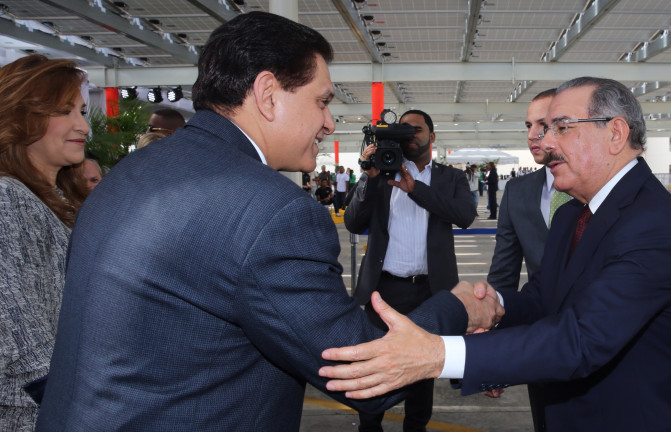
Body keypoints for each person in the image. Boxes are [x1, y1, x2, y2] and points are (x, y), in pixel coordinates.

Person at [36, 12, 502, 432]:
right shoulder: (272, 211)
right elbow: (364, 373)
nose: (328, 123)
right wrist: (459, 308)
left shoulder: (130, 173)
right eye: (321, 101)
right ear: (267, 95)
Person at [320, 77, 671, 432]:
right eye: (545, 129)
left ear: (615, 133)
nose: (546, 142)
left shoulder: (654, 225)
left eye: (561, 127)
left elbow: (580, 340)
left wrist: (438, 354)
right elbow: (543, 297)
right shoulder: (573, 213)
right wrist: (492, 303)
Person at [344, 108, 476, 432]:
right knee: (373, 364)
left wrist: (415, 188)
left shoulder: (451, 178)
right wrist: (368, 176)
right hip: (384, 291)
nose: (409, 135)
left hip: (430, 291)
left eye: (416, 129)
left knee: (421, 371)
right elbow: (353, 222)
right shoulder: (381, 172)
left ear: (432, 136)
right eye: (402, 130)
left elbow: (464, 215)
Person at [0, 54, 90, 431]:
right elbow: (14, 320)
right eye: (63, 111)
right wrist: (66, 403)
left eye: (81, 111)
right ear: (20, 117)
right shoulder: (7, 197)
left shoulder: (56, 198)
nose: (83, 126)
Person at [487, 88, 568, 292]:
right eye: (529, 126)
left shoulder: (600, 186)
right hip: (539, 310)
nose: (532, 135)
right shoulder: (516, 192)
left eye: (543, 125)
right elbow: (503, 274)